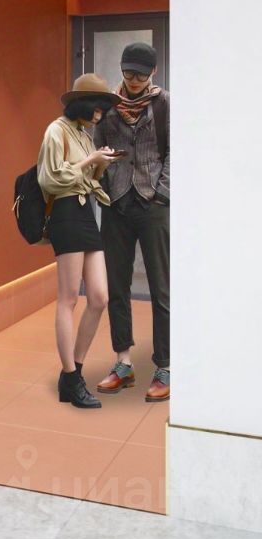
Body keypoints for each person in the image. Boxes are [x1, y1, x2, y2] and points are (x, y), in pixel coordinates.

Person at [37, 74, 122, 409]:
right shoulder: (56, 131)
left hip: (86, 213)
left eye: (102, 110)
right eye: (96, 109)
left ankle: (73, 371)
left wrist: (100, 163)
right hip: (66, 213)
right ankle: (72, 379)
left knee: (99, 297)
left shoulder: (85, 136)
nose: (99, 115)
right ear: (83, 105)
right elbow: (51, 178)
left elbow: (87, 177)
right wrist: (90, 160)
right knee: (69, 299)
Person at [94, 42, 170, 403]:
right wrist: (104, 186)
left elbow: (175, 151)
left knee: (161, 286)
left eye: (140, 73)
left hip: (153, 204)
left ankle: (165, 366)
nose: (134, 79)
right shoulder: (108, 106)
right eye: (128, 72)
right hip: (117, 204)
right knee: (117, 285)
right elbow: (97, 150)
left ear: (152, 71)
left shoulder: (164, 103)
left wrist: (162, 193)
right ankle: (123, 362)